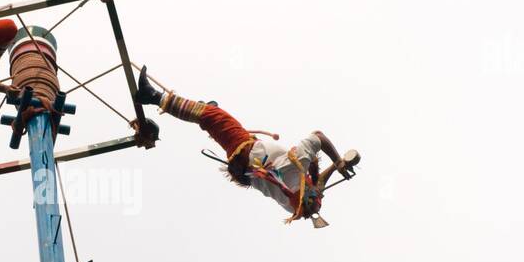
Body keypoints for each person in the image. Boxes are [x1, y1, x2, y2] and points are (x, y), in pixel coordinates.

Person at [135, 68, 360, 226]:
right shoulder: (292, 205)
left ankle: (154, 97)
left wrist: (338, 160)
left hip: (247, 151)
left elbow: (319, 138)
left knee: (212, 116)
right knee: (213, 118)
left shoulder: (299, 164)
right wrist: (337, 166)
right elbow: (316, 187)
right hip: (244, 160)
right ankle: (207, 108)